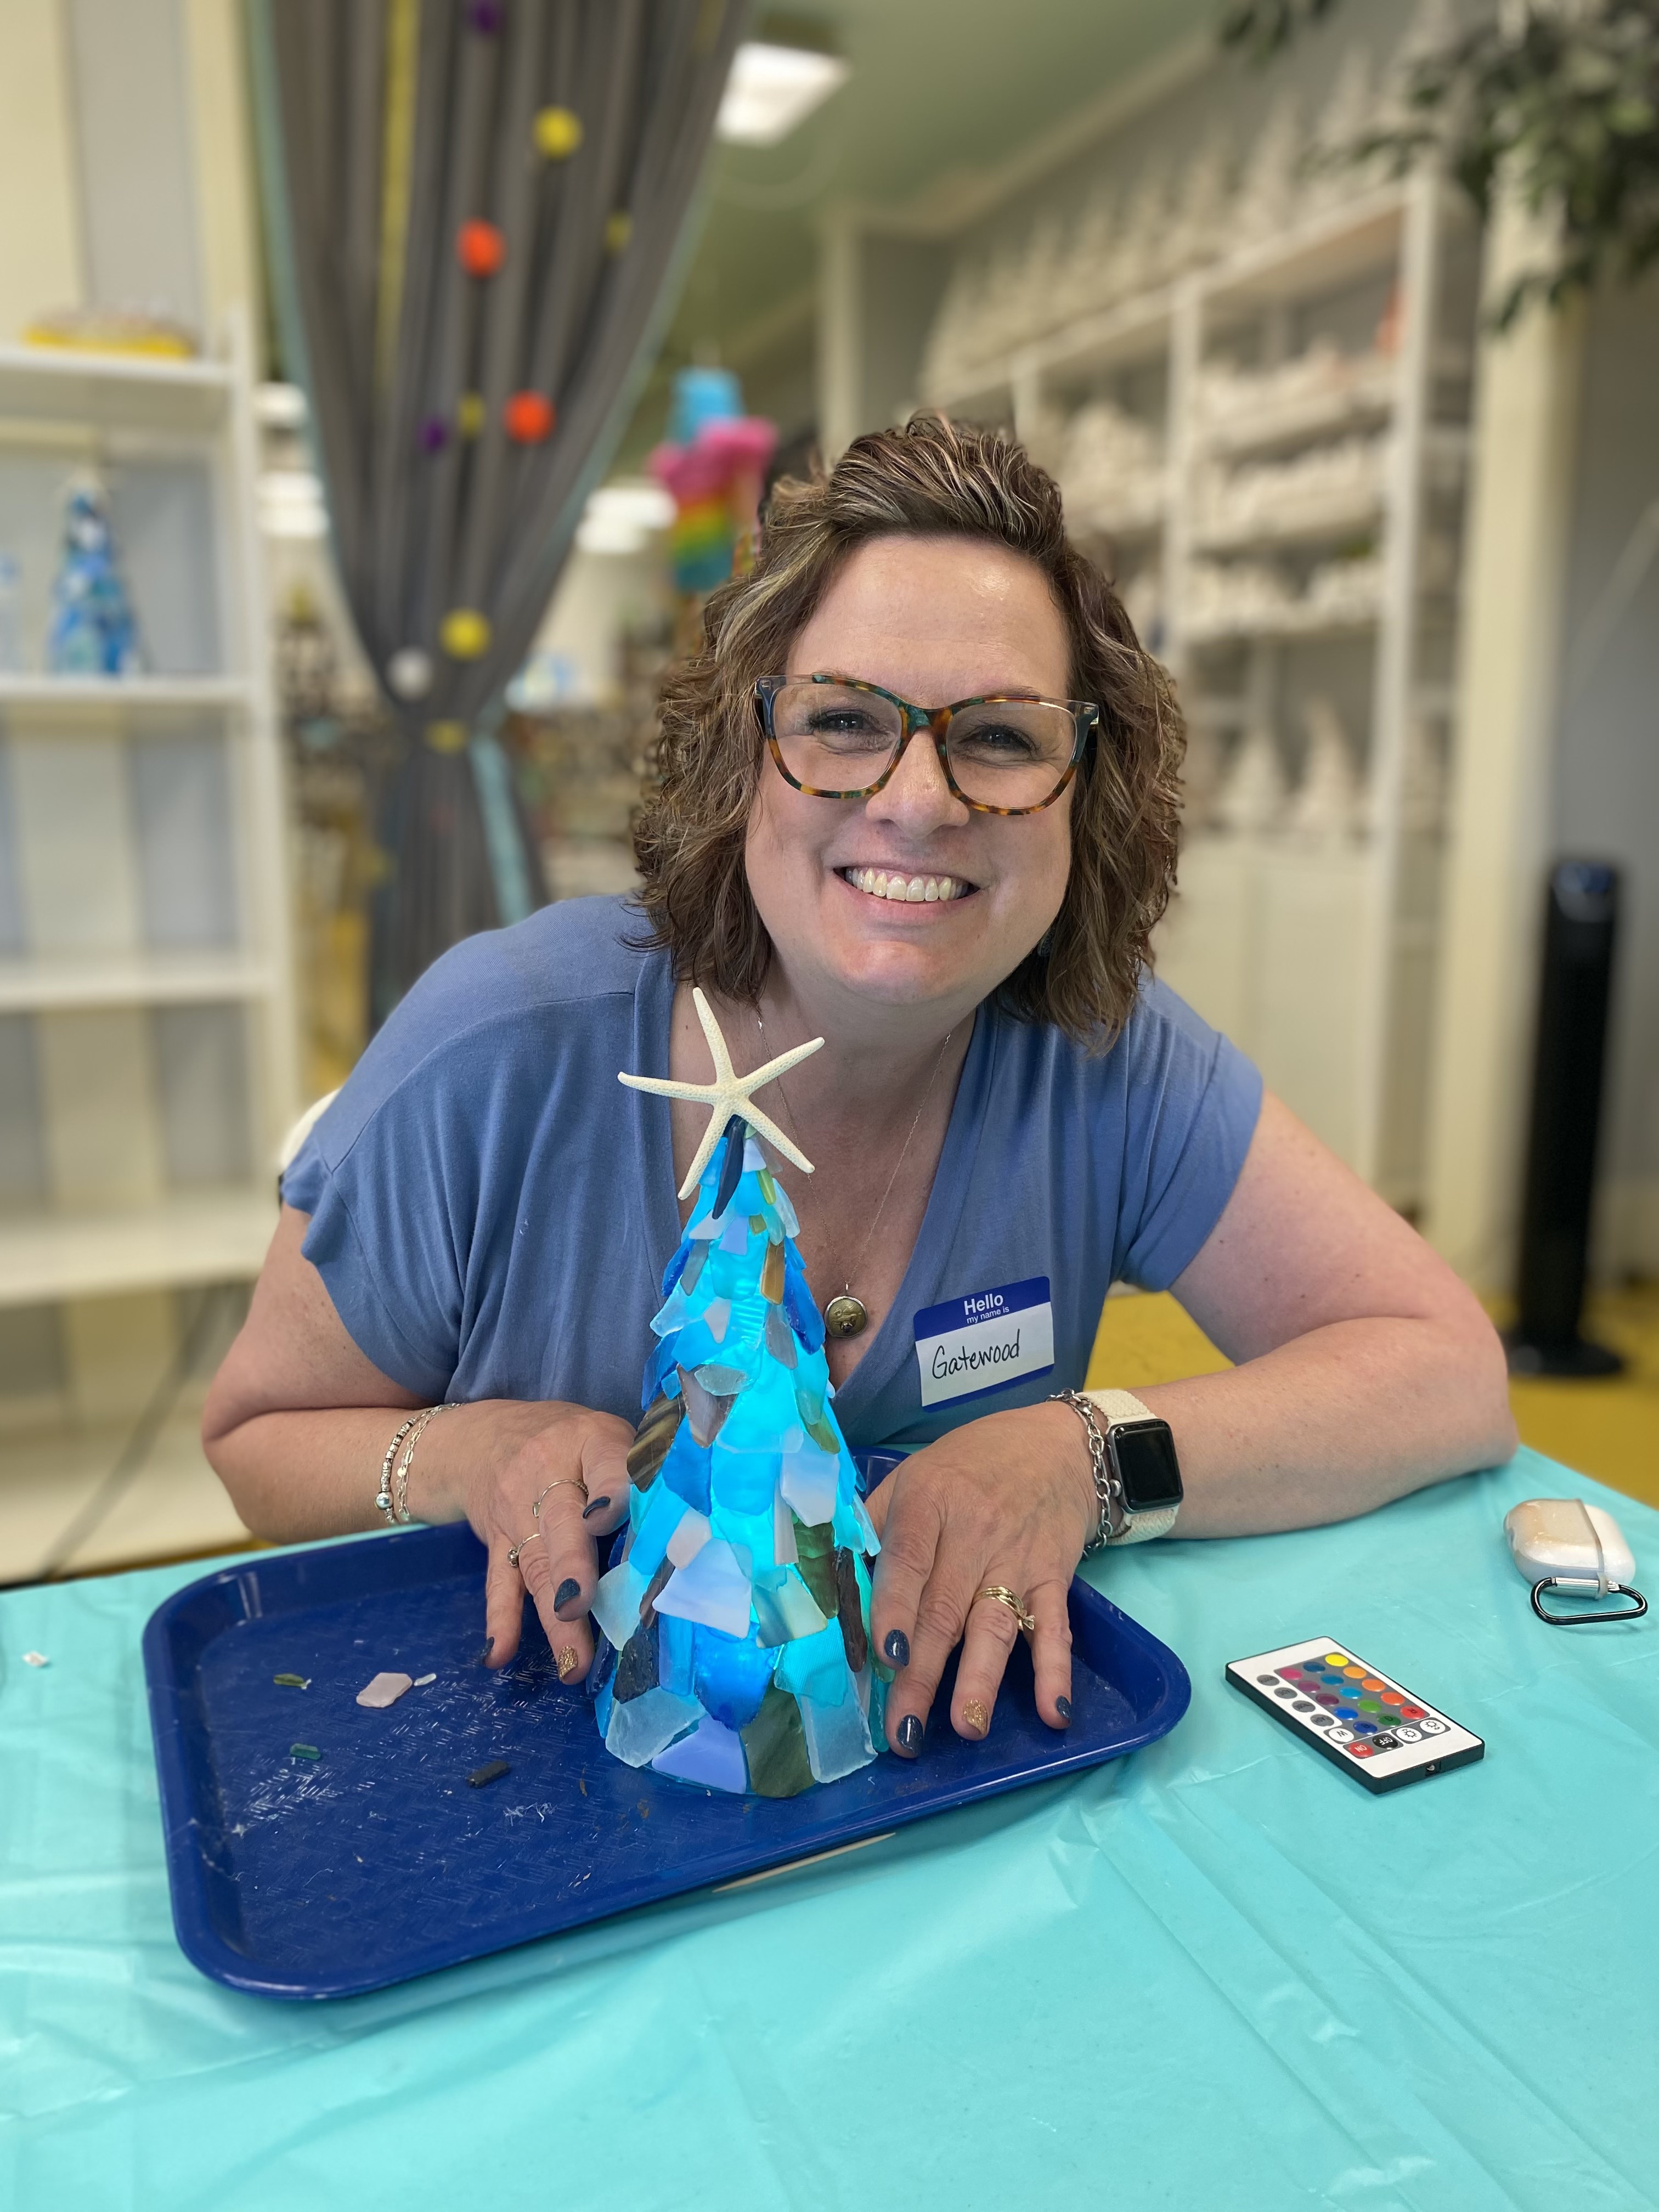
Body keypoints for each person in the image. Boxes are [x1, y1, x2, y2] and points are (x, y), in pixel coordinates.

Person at [204, 415, 1515, 1758]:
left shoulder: (1101, 1055)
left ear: (1090, 790)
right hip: (537, 1772)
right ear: (740, 757)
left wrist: (1082, 1457)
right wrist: (466, 1454)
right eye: (843, 721)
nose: (919, 800)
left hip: (937, 1778)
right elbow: (257, 1438)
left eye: (999, 737)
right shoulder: (501, 1046)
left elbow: (1446, 1373)